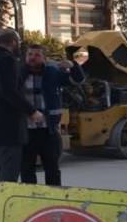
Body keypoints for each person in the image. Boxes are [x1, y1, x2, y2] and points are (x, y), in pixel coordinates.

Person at [0, 29, 44, 220]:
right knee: (9, 169)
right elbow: (9, 92)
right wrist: (32, 111)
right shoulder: (7, 61)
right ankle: (6, 210)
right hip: (8, 124)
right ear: (13, 42)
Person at [19, 44, 85, 186]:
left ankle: (54, 198)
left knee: (52, 168)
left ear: (44, 58)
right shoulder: (18, 73)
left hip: (48, 129)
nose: (32, 58)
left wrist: (73, 65)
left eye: (37, 55)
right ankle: (30, 199)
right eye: (30, 54)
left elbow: (78, 80)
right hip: (26, 130)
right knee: (26, 168)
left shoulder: (52, 72)